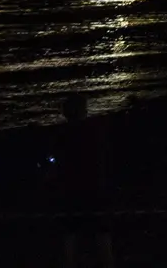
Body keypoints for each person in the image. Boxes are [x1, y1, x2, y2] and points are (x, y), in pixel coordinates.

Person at [56, 92, 115, 268]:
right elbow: (103, 159)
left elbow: (59, 163)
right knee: (101, 231)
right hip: (94, 186)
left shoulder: (62, 135)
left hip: (71, 188)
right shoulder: (94, 132)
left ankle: (71, 262)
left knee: (71, 231)